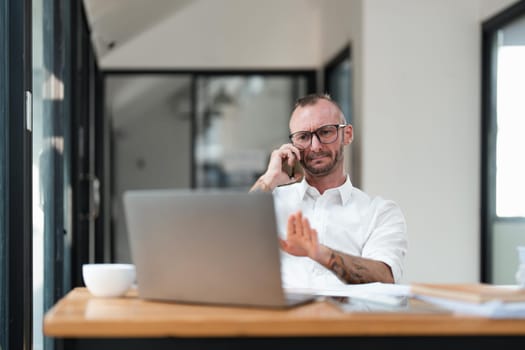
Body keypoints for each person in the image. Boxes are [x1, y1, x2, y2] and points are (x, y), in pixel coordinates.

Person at [250, 93, 407, 288]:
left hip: (350, 318)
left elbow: (385, 275)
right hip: (283, 318)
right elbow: (229, 242)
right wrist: (269, 179)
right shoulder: (270, 201)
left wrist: (318, 252)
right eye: (304, 137)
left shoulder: (380, 212)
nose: (315, 146)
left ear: (347, 134)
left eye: (325, 132)